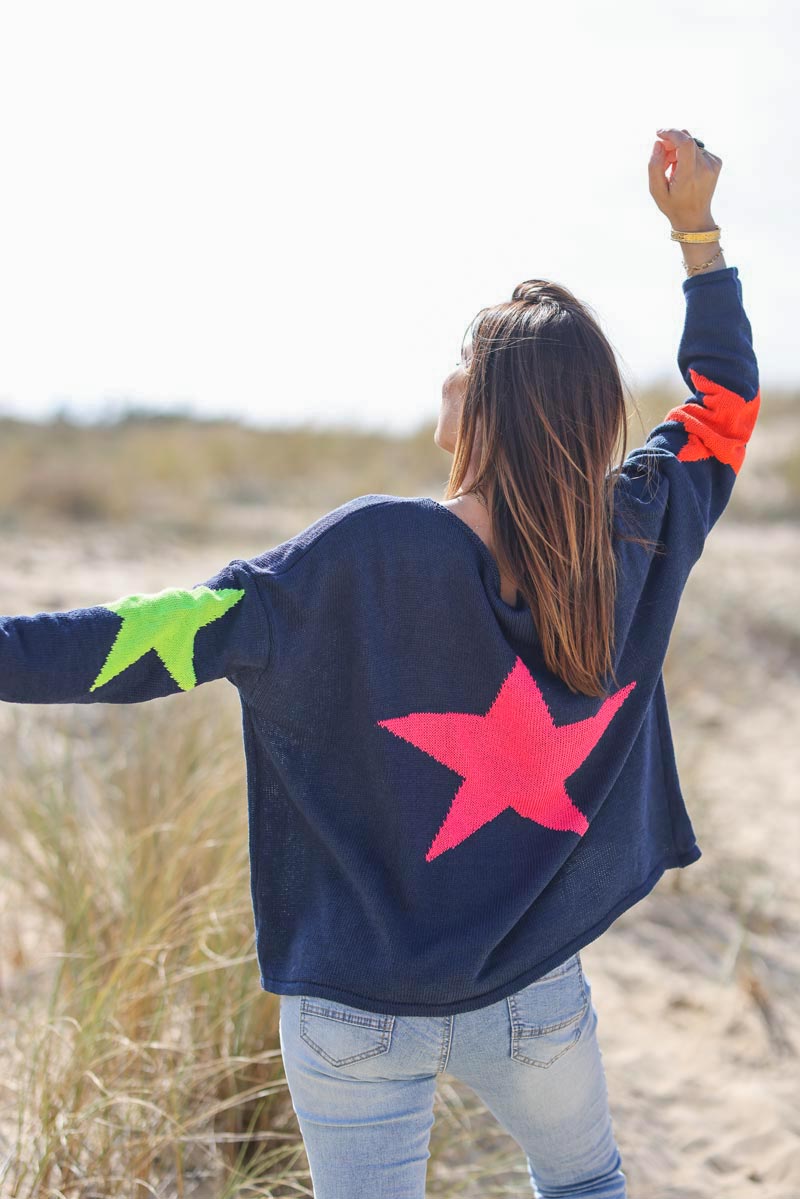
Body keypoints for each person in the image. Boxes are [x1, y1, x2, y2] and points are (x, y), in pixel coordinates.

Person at [1, 127, 760, 1197]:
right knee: (584, 1182)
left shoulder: (359, 552)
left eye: (460, 360)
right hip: (529, 991)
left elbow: (143, 639)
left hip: (355, 1011)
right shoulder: (635, 528)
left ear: (484, 401)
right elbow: (721, 401)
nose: (442, 375)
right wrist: (696, 234)